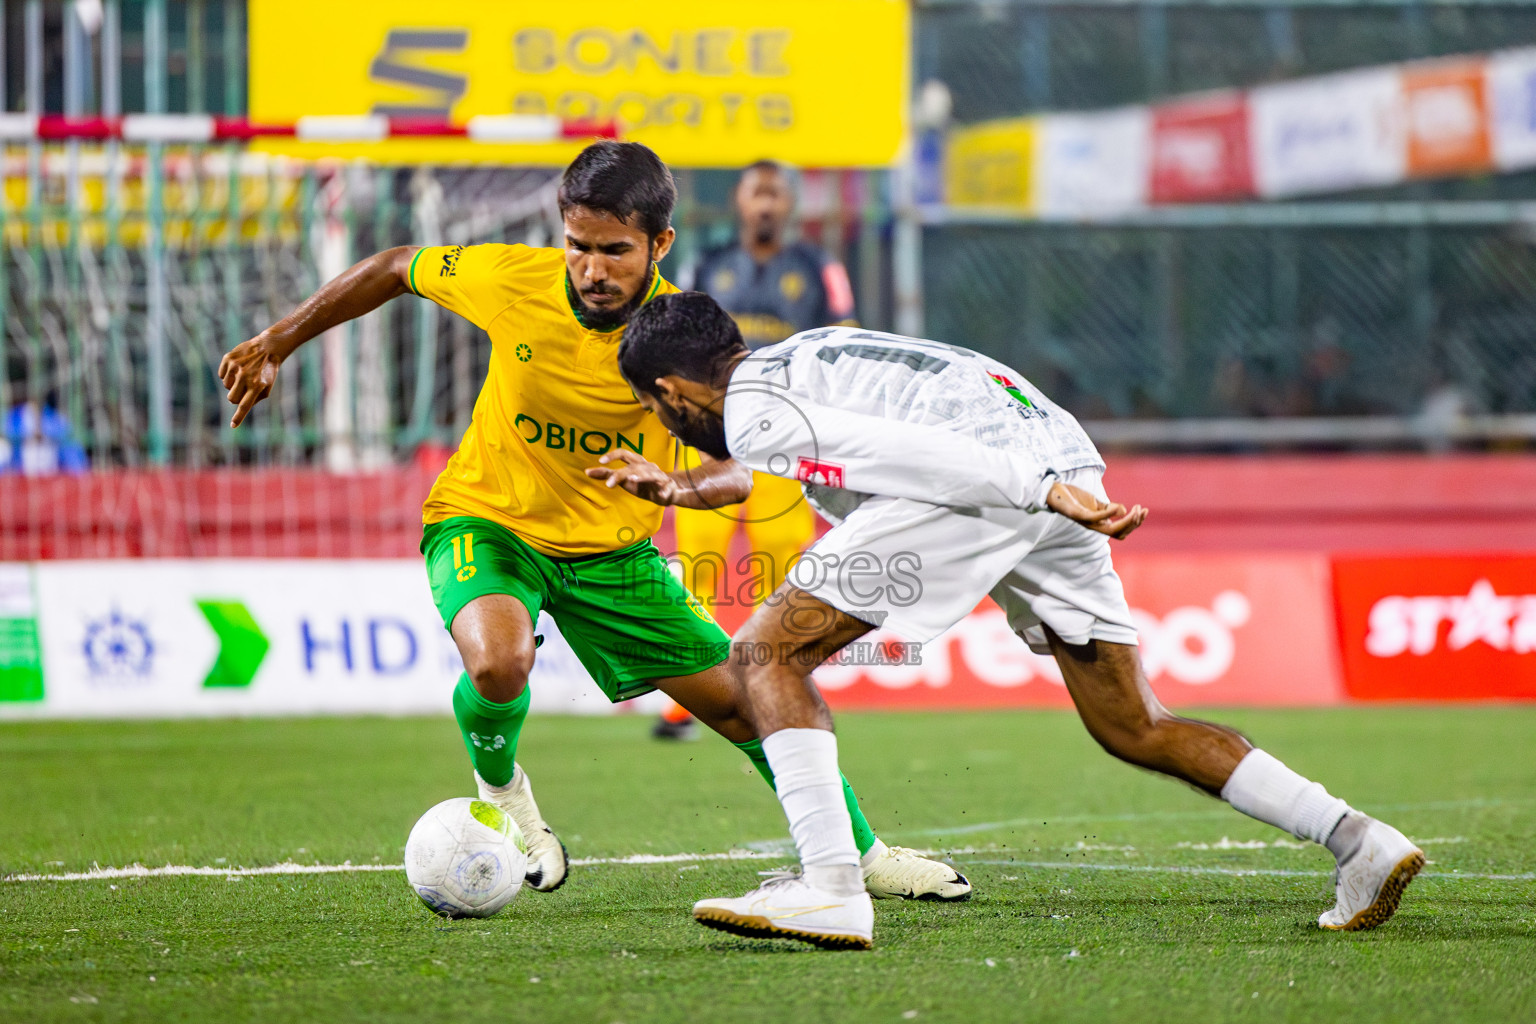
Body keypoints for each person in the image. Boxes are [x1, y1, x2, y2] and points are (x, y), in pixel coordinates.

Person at [218, 140, 969, 903]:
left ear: (659, 244)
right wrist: (277, 341)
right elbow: (392, 266)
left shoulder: (682, 335)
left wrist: (675, 485)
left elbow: (740, 464)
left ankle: (864, 854)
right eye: (578, 246)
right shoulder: (510, 278)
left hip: (613, 556)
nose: (594, 269)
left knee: (750, 703)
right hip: (487, 521)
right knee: (497, 662)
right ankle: (506, 794)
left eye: (615, 250)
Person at [615, 291, 1426, 951]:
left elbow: (905, 455)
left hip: (995, 482)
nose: (666, 426)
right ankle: (1357, 840)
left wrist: (1032, 489)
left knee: (764, 656)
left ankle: (829, 888)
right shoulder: (801, 357)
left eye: (656, 410)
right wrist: (682, 491)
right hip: (1054, 451)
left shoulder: (757, 410)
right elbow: (839, 441)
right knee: (1134, 724)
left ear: (673, 392)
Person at [655, 159, 859, 741]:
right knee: (697, 569)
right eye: (755, 193)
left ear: (789, 204)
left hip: (785, 445)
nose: (765, 204)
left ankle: (776, 688)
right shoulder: (706, 263)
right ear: (739, 202)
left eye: (775, 194)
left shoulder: (819, 268)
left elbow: (845, 341)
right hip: (712, 440)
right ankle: (686, 705)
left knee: (781, 573)